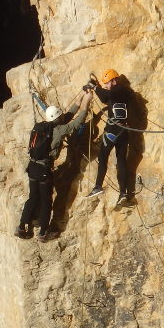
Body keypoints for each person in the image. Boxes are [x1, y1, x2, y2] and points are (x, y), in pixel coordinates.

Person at [16, 90, 93, 242]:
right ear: (58, 118)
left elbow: (68, 115)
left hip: (32, 167)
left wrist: (82, 95)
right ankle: (43, 233)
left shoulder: (43, 126)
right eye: (60, 116)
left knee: (33, 197)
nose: (62, 117)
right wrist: (87, 102)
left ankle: (21, 227)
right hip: (44, 170)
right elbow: (77, 122)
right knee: (46, 201)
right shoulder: (59, 130)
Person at [84, 68, 134, 207]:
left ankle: (98, 186)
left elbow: (108, 95)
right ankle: (123, 193)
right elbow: (106, 97)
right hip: (124, 131)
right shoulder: (122, 92)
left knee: (103, 156)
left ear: (114, 80)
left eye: (107, 83)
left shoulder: (120, 89)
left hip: (113, 129)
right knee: (121, 160)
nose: (106, 85)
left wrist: (95, 87)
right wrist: (96, 87)